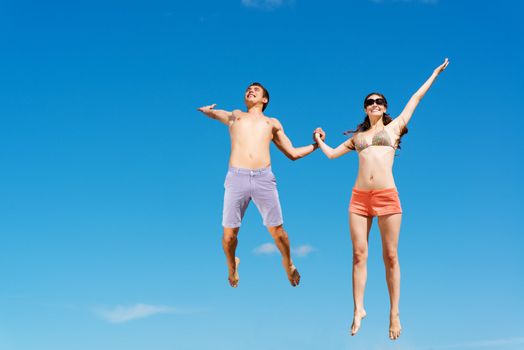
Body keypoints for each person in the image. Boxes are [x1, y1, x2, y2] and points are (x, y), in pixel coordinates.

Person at [313, 59, 449, 340]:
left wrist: (434, 73)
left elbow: (416, 97)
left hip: (387, 197)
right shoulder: (358, 137)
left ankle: (394, 312)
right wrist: (318, 139)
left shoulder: (396, 126)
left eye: (379, 101)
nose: (375, 104)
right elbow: (330, 154)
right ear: (365, 108)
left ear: (385, 107)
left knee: (390, 256)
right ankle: (358, 308)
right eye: (370, 101)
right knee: (359, 254)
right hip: (359, 199)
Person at [197, 82, 324, 288]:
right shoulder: (236, 115)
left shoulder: (271, 123)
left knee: (278, 231)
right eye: (248, 89)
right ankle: (232, 265)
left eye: (256, 90)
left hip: (263, 179)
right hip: (236, 178)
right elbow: (218, 114)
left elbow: (292, 153)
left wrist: (316, 145)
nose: (250, 90)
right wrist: (207, 111)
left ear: (264, 100)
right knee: (229, 236)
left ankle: (288, 263)